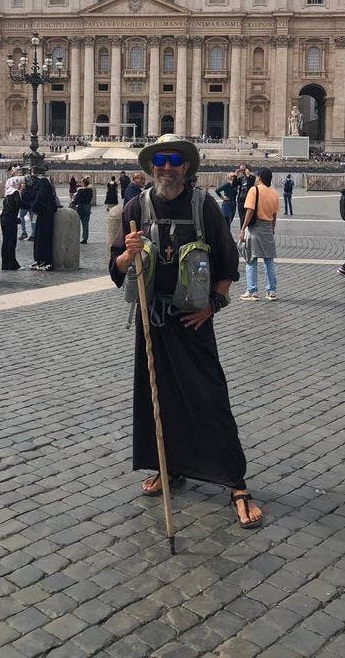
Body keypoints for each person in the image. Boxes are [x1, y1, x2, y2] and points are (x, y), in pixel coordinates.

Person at [110, 135, 262, 529]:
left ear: (186, 167)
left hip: (193, 322)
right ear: (151, 166)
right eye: (159, 160)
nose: (166, 167)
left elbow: (228, 266)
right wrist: (128, 252)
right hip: (152, 321)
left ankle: (235, 482)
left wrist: (212, 307)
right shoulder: (134, 207)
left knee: (210, 398)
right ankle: (168, 465)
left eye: (174, 160)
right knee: (155, 400)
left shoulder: (204, 206)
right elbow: (117, 268)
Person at [239, 167, 280, 300]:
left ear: (260, 178)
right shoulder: (274, 193)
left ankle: (252, 291)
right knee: (269, 260)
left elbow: (250, 211)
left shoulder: (254, 190)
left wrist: (243, 228)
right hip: (268, 227)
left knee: (251, 260)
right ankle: (271, 291)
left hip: (255, 228)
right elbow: (274, 216)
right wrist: (272, 229)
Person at [31, 172, 58, 271]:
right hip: (49, 218)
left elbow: (35, 206)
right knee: (47, 240)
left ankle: (40, 259)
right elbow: (55, 207)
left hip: (41, 218)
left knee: (40, 239)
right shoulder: (50, 195)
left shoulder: (40, 195)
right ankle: (46, 260)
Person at [0, 187, 22, 270]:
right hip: (11, 219)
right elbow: (20, 204)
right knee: (11, 241)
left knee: (5, 241)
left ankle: (5, 264)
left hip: (4, 218)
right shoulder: (15, 193)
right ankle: (12, 265)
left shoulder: (8, 193)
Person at [72, 176, 94, 243]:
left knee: (77, 223)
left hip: (80, 207)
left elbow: (76, 200)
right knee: (85, 224)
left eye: (81, 182)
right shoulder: (90, 190)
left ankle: (75, 237)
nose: (80, 183)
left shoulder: (80, 191)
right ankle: (85, 238)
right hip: (87, 207)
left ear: (83, 183)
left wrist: (73, 202)